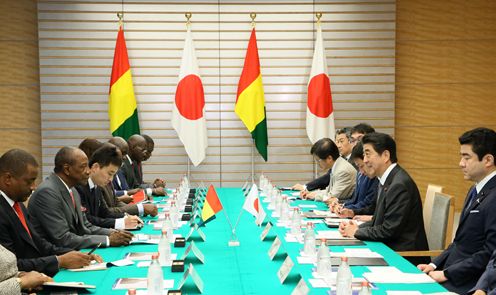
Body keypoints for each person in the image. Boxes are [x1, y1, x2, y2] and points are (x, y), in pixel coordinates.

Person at [417, 127, 496, 294]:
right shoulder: (475, 189)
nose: (461, 163)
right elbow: (459, 242)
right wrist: (433, 264)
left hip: (469, 282)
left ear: (488, 160)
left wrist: (445, 274)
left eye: (467, 157)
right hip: (450, 271)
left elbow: (489, 252)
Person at [0, 149, 102, 276]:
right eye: (29, 181)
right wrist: (59, 261)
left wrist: (75, 254)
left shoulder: (18, 203)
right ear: (8, 179)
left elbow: (40, 244)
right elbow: (11, 266)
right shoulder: (4, 210)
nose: (33, 187)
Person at [339, 132, 428, 265]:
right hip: (389, 247)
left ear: (385, 156)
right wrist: (356, 226)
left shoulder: (399, 184)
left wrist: (357, 231)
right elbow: (379, 221)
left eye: (368, 154)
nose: (365, 160)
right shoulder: (387, 179)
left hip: (403, 257)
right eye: (364, 155)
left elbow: (388, 230)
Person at [28, 146, 133, 249]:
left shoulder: (72, 189)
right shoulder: (47, 192)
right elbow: (63, 238)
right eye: (83, 167)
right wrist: (108, 240)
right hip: (57, 257)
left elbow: (85, 226)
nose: (88, 171)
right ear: (67, 169)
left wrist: (113, 233)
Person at [75, 144, 142, 230]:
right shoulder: (79, 187)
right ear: (95, 167)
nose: (111, 179)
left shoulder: (97, 185)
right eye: (110, 174)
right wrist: (120, 223)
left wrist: (127, 217)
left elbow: (105, 213)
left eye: (114, 175)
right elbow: (87, 220)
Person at [106, 137, 158, 217]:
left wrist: (142, 200)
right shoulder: (119, 167)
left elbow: (131, 189)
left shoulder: (126, 165)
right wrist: (140, 208)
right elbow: (106, 211)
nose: (124, 157)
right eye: (122, 153)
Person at [302, 138, 356, 202]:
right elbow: (329, 191)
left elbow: (332, 196)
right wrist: (312, 193)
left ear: (329, 158)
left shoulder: (343, 171)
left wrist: (315, 196)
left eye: (318, 160)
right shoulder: (337, 165)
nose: (317, 163)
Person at [330, 142, 378, 214]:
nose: (361, 171)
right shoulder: (360, 174)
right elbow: (354, 199)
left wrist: (345, 208)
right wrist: (340, 204)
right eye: (358, 166)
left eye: (361, 166)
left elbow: (367, 204)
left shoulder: (374, 178)